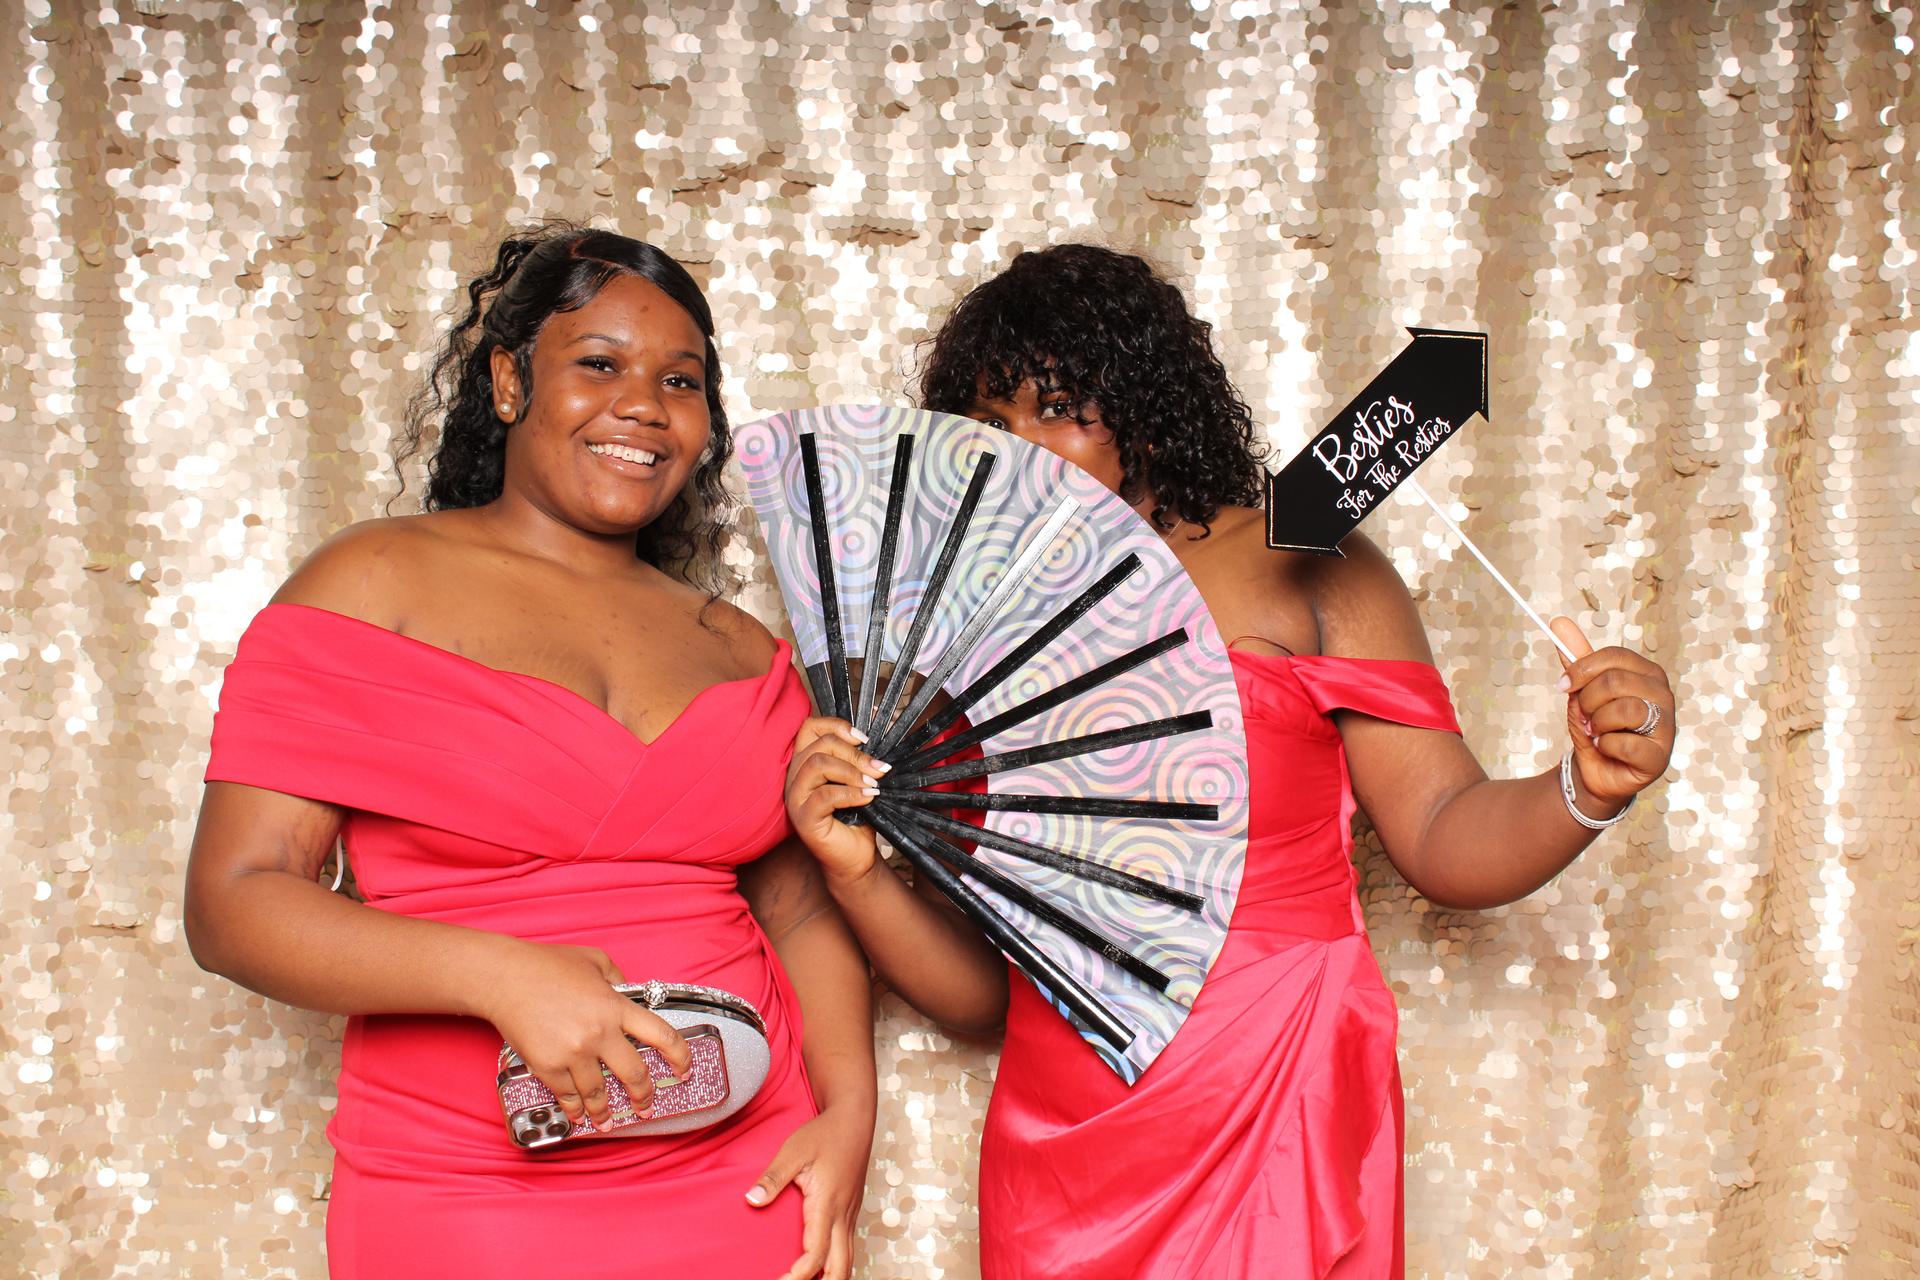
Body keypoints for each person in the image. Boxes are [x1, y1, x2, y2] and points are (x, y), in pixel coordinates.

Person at [781, 243, 1678, 1278]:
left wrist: (1586, 788)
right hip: (1068, 1127)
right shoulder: (964, 637)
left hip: (1275, 1078)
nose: (1016, 453)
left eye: (1059, 409)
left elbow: (1441, 836)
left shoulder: (1299, 559)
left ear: (1147, 416)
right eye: (988, 425)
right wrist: (855, 870)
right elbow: (990, 996)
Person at [184, 225, 876, 1280]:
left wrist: (848, 1116)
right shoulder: (373, 582)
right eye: (599, 363)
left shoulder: (738, 646)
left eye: (679, 380)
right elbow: (232, 900)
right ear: (509, 379)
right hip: (467, 1190)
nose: (642, 402)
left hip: (743, 1178)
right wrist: (498, 973)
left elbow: (795, 908)